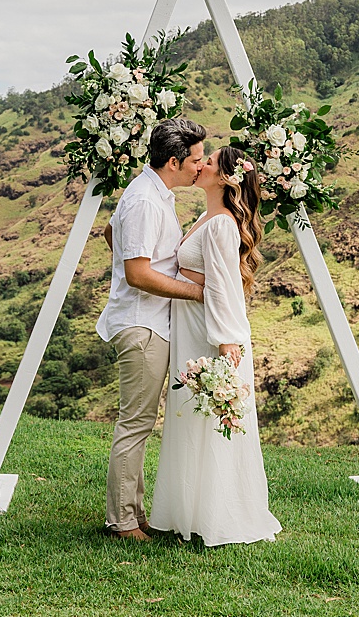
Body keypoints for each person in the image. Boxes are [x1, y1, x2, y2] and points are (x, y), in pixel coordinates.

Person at [149, 145, 282, 546]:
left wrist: (226, 344)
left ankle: (218, 517)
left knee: (210, 422)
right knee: (191, 419)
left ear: (225, 178)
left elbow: (224, 287)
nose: (200, 164)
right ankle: (186, 511)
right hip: (192, 326)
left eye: (208, 162)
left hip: (210, 335)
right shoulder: (207, 217)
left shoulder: (222, 224)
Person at [95, 117, 207, 541]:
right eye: (196, 160)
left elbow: (112, 232)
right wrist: (194, 293)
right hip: (142, 325)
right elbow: (139, 274)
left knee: (139, 422)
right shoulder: (144, 200)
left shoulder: (151, 193)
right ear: (174, 161)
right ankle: (122, 521)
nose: (200, 167)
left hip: (148, 320)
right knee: (135, 423)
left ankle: (134, 513)